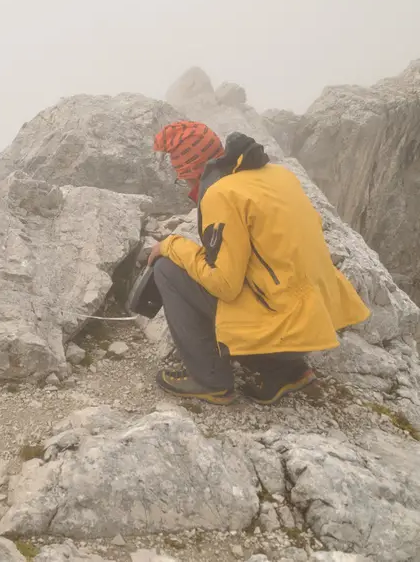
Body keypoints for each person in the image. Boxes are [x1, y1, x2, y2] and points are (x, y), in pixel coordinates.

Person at [147, 121, 370, 405]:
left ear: (192, 170)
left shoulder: (222, 193)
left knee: (167, 269)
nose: (188, 187)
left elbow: (224, 285)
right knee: (248, 279)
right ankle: (287, 371)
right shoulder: (277, 175)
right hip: (311, 319)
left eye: (185, 178)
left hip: (280, 326)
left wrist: (171, 245)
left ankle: (209, 380)